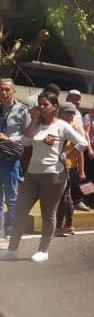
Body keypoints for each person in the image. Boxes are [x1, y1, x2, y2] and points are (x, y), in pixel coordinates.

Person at [0, 91, 88, 262]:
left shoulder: (61, 126)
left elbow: (83, 143)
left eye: (45, 104)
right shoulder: (37, 125)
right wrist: (33, 120)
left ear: (54, 107)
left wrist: (66, 153)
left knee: (48, 213)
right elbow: (25, 142)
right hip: (32, 175)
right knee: (19, 211)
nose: (41, 107)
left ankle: (43, 250)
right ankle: (12, 249)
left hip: (53, 176)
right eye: (40, 104)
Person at [0, 79, 31, 242]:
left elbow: (28, 136)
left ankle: (11, 231)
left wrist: (8, 137)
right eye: (1, 90)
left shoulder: (21, 110)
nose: (3, 93)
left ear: (13, 91)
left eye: (7, 90)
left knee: (12, 196)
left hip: (10, 159)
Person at [55, 102, 86, 236]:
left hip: (67, 167)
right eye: (68, 112)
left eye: (73, 112)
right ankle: (65, 225)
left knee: (65, 198)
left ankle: (65, 225)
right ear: (61, 113)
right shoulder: (57, 126)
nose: (71, 115)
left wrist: (81, 170)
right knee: (63, 198)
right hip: (56, 166)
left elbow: (80, 151)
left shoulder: (73, 128)